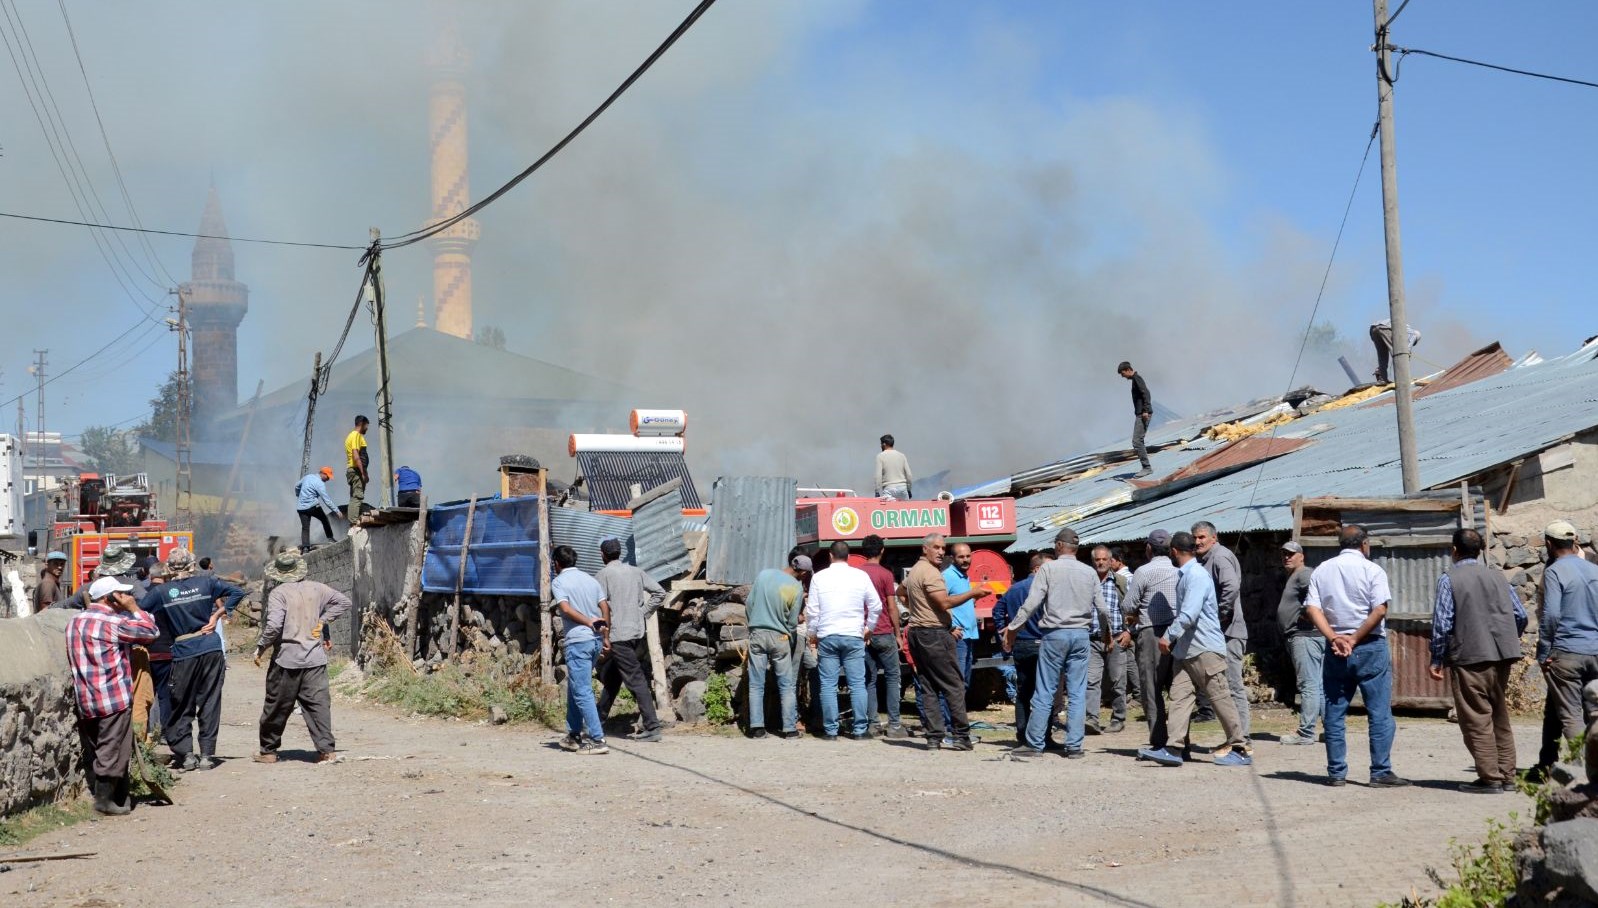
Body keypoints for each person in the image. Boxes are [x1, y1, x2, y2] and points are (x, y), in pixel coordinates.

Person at [1305, 524, 1408, 787]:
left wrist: (1334, 638)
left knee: (1335, 711)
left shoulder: (1322, 570)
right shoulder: (1373, 570)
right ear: (1364, 544)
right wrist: (1355, 637)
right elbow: (1380, 610)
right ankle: (1380, 771)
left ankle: (1337, 772)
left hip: (1336, 648)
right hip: (1369, 645)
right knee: (1379, 712)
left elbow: (1313, 609)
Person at [1138, 532, 1251, 767]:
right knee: (1179, 697)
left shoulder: (1196, 575)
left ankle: (1239, 746)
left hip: (1204, 648)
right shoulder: (1186, 574)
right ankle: (1174, 748)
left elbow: (1189, 613)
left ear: (1174, 552)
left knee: (1219, 695)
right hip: (1187, 650)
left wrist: (1168, 636)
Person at [1428, 528, 1527, 793]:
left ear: (1454, 551)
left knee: (1476, 718)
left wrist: (1437, 657)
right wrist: (1507, 638)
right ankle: (1507, 776)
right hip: (1502, 655)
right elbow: (1520, 615)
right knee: (1499, 716)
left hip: (1469, 656)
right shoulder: (1498, 577)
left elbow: (1443, 623)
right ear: (1480, 550)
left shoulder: (1449, 579)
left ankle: (1490, 778)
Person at [1003, 528, 1107, 760]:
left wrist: (1013, 628)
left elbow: (1031, 604)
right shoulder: (1089, 572)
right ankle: (1074, 746)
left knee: (1046, 690)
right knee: (1077, 692)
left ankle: (1035, 744)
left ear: (1059, 546)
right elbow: (1102, 608)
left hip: (1054, 635)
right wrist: (1107, 634)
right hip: (1081, 635)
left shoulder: (1049, 568)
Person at [141, 548, 245, 772]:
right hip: (210, 648)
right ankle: (207, 755)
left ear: (169, 568)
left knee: (181, 703)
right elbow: (237, 592)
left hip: (184, 651)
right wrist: (217, 615)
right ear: (192, 565)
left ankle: (186, 754)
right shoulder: (207, 583)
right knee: (209, 701)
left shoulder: (162, 592)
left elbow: (140, 611)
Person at [67, 575, 158, 815]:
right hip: (113, 697)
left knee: (102, 746)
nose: (129, 597)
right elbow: (150, 632)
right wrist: (134, 608)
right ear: (112, 598)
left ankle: (119, 796)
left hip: (86, 697)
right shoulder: (112, 623)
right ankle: (104, 801)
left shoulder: (75, 621)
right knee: (114, 748)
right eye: (124, 594)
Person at [252, 550, 352, 764]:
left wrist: (261, 647)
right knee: (318, 706)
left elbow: (274, 626)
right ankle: (326, 750)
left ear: (279, 573)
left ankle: (268, 751)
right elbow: (344, 602)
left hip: (286, 660)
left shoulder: (279, 593)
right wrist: (323, 622)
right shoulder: (318, 588)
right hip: (315, 660)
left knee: (276, 706)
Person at [1534, 520, 1598, 777]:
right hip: (1595, 650)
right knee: (1590, 711)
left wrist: (1544, 652)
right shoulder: (1594, 569)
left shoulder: (1554, 571)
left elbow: (1550, 616)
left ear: (1549, 544)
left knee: (1571, 715)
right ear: (1575, 542)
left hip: (1567, 653)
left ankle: (1585, 774)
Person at [899, 533, 973, 751]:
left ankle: (933, 737)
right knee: (954, 685)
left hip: (917, 633)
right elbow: (943, 602)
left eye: (943, 548)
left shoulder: (914, 571)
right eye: (937, 547)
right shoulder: (931, 573)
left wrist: (916, 608)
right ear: (925, 549)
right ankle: (961, 735)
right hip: (934, 634)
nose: (941, 552)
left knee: (928, 685)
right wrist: (973, 593)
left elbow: (900, 591)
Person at [806, 541, 883, 740]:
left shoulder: (819, 578)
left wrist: (813, 634)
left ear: (831, 556)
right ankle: (859, 730)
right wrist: (869, 629)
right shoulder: (861, 576)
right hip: (853, 635)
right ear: (848, 557)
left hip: (828, 635)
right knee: (857, 684)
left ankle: (831, 731)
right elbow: (876, 606)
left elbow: (813, 611)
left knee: (828, 685)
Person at [594, 538, 666, 743]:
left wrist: (600, 633)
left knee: (635, 680)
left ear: (603, 554)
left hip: (617, 635)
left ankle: (652, 726)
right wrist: (642, 612)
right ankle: (598, 719)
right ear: (620, 552)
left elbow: (599, 607)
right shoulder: (636, 571)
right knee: (614, 678)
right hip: (635, 632)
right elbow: (660, 592)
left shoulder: (603, 575)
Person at [1194, 521, 1250, 747]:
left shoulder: (1220, 557)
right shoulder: (1206, 560)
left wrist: (1220, 614)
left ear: (1214, 538)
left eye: (1202, 537)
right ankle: (1234, 736)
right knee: (1223, 687)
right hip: (1217, 634)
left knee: (1234, 686)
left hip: (1229, 631)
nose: (1198, 542)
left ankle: (1243, 738)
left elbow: (1231, 586)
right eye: (1195, 538)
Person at [551, 545, 610, 755]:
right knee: (575, 686)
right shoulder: (590, 580)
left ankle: (597, 739)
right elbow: (604, 607)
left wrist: (588, 622)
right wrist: (605, 634)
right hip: (594, 641)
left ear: (556, 563)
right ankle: (573, 734)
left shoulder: (559, 582)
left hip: (579, 641)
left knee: (582, 689)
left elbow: (565, 608)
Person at [745, 550, 810, 739]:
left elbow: (749, 604)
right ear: (803, 573)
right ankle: (789, 729)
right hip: (780, 637)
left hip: (757, 633)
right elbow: (791, 621)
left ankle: (757, 728)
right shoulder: (796, 588)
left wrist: (754, 624)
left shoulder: (764, 575)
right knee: (786, 685)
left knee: (756, 684)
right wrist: (788, 632)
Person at [994, 551, 1055, 748]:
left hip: (1021, 644)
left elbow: (997, 610)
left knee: (1024, 692)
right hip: (1043, 642)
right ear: (1037, 569)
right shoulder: (1046, 588)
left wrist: (1003, 630)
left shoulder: (1013, 589)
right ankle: (1044, 737)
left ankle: (1023, 735)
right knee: (1045, 692)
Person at [1126, 530, 1180, 753]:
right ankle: (1179, 740)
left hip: (1151, 633)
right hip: (1177, 633)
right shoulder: (1179, 572)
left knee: (1151, 687)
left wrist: (1136, 612)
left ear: (1149, 548)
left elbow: (1128, 605)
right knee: (1178, 688)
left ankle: (1158, 740)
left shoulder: (1143, 571)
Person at [857, 534, 907, 738]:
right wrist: (898, 633)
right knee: (893, 677)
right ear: (882, 551)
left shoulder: (856, 574)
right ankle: (894, 725)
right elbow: (892, 607)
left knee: (868, 679)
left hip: (863, 634)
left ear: (862, 552)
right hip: (884, 631)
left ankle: (873, 724)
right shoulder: (886, 574)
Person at [1277, 541, 1323, 746]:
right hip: (1307, 636)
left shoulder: (1304, 574)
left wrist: (1307, 612)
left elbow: (1318, 592)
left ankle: (1306, 732)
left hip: (1305, 636)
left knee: (1309, 685)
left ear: (1301, 556)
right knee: (1318, 686)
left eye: (1291, 554)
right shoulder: (1295, 576)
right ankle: (1330, 731)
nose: (1287, 557)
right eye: (1284, 554)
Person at [938, 543, 985, 728]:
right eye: (961, 557)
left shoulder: (963, 576)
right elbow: (939, 605)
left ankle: (956, 724)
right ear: (952, 558)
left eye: (967, 556)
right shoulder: (947, 577)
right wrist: (949, 627)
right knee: (953, 684)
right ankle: (947, 726)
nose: (965, 560)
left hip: (969, 636)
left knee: (963, 684)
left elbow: (958, 602)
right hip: (957, 639)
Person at [1085, 545, 1129, 735]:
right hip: (1092, 639)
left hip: (1117, 638)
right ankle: (1091, 719)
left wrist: (1129, 632)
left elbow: (1132, 608)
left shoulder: (1121, 582)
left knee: (1117, 680)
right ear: (1093, 561)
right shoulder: (1087, 582)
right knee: (1091, 681)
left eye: (1104, 559)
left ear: (1111, 561)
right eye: (1097, 560)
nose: (1101, 562)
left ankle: (1118, 718)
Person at [1112, 548, 1140, 704]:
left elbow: (1127, 603)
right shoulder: (1132, 576)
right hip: (1130, 624)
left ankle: (1137, 693)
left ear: (1118, 560)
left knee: (1128, 660)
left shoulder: (1121, 578)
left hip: (1125, 625)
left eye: (1111, 560)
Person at [1117, 362, 1154, 478]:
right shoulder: (1135, 380)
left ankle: (1146, 468)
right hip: (1141, 413)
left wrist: (1145, 410)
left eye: (1123, 374)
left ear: (1128, 370)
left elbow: (1146, 394)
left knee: (1136, 441)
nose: (1123, 377)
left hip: (1143, 414)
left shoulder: (1137, 379)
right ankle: (1146, 467)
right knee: (1138, 441)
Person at [295, 467, 339, 550]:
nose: (328, 479)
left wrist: (298, 494)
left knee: (305, 527)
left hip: (301, 508)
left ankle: (305, 548)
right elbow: (327, 500)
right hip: (313, 507)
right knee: (324, 519)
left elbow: (297, 486)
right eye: (328, 477)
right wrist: (336, 510)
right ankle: (330, 538)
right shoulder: (320, 483)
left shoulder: (308, 477)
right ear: (323, 474)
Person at [1369, 318, 1421, 384]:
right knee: (1398, 355)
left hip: (1373, 329)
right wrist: (1407, 355)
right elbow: (1406, 349)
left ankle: (1382, 378)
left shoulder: (1405, 329)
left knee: (1383, 356)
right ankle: (1403, 378)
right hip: (1385, 327)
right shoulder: (1413, 334)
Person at [344, 415, 370, 525]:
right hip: (356, 471)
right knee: (357, 497)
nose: (367, 428)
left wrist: (365, 471)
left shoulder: (352, 436)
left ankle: (354, 521)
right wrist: (363, 473)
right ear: (362, 424)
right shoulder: (355, 435)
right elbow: (356, 455)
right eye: (366, 426)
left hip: (354, 470)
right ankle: (354, 523)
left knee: (355, 497)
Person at [875, 434, 913, 500]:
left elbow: (878, 476)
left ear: (884, 444)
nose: (880, 445)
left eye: (881, 444)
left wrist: (877, 491)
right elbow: (909, 475)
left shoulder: (880, 456)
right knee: (904, 509)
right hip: (902, 489)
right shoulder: (902, 456)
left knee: (888, 509)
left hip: (889, 489)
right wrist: (909, 489)